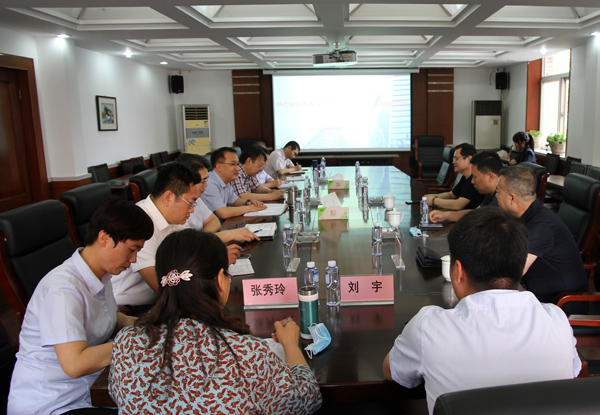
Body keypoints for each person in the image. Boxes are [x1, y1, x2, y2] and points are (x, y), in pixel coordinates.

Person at [383, 207, 581, 415]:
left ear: (458, 272)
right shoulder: (557, 321)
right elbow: (573, 371)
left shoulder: (429, 327)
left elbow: (392, 371)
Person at [109, 229, 322, 414]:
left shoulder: (125, 345)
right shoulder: (244, 352)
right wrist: (290, 345)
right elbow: (305, 399)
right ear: (220, 279)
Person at [8, 197, 154, 415]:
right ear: (104, 238)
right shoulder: (63, 289)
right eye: (132, 249)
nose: (134, 259)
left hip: (86, 390)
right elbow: (75, 364)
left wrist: (150, 326)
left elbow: (112, 317)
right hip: (53, 403)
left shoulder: (101, 275)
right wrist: (135, 341)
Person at [111, 162, 208, 311]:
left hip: (163, 297)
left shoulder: (171, 217)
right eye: (190, 203)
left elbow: (192, 250)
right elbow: (160, 285)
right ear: (168, 197)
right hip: (134, 307)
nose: (192, 210)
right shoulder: (141, 221)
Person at [496, 166, 587, 303]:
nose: (496, 196)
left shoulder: (542, 224)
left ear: (512, 198)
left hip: (559, 303)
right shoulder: (526, 216)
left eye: (498, 192)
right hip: (534, 293)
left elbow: (513, 272)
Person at [176, 152, 259, 245]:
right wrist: (212, 238)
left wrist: (205, 238)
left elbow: (213, 220)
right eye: (203, 181)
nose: (238, 168)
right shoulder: (176, 205)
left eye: (237, 164)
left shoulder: (197, 198)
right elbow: (187, 244)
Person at [429, 151, 501, 223]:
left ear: (490, 176)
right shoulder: (490, 193)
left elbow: (481, 218)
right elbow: (476, 213)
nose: (472, 181)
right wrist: (446, 215)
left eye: (475, 177)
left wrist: (434, 201)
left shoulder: (501, 196)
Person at [201, 147, 267, 220]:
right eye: (233, 164)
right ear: (219, 166)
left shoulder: (226, 180)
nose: (237, 168)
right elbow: (223, 213)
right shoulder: (209, 183)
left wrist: (248, 202)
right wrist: (249, 208)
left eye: (237, 164)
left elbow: (234, 200)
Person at [423, 143, 484, 210]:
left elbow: (457, 205)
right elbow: (451, 194)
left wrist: (433, 200)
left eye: (456, 158)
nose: (453, 162)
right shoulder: (465, 177)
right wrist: (432, 196)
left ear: (469, 159)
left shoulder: (474, 180)